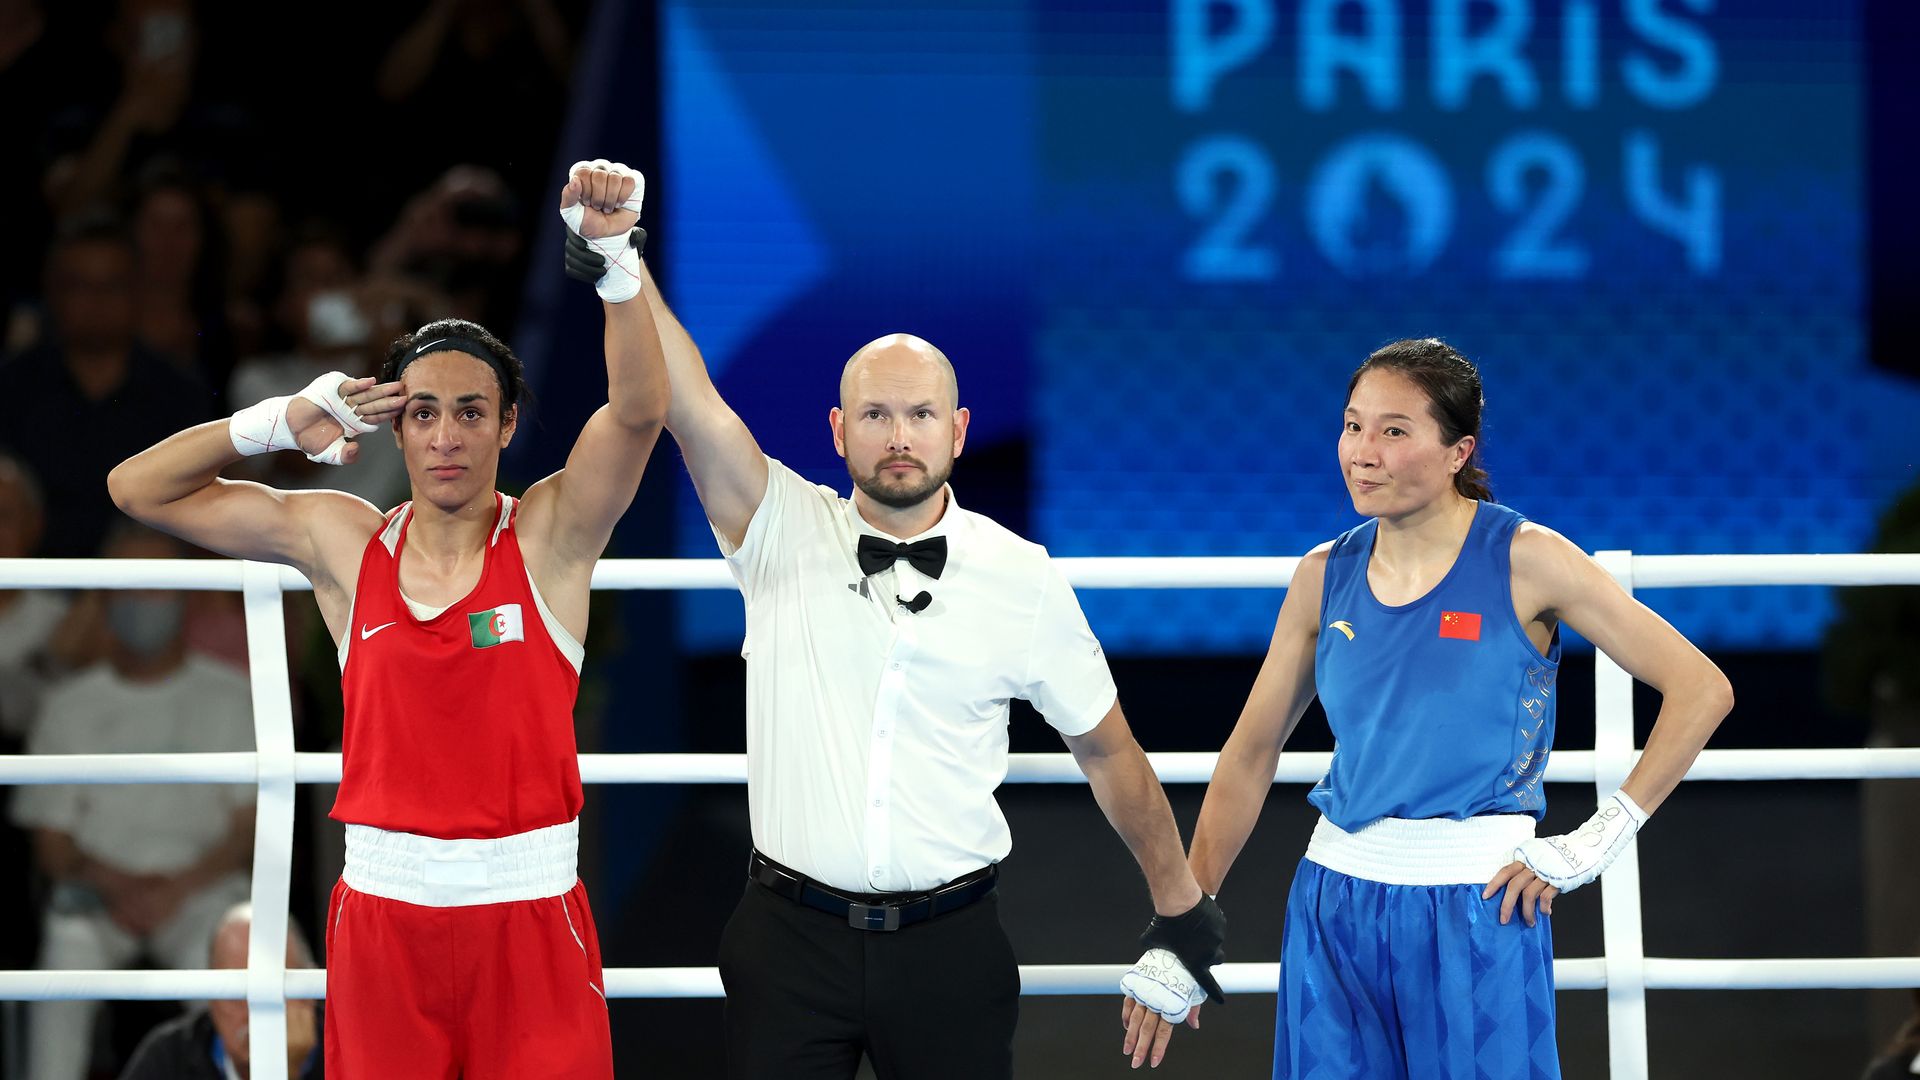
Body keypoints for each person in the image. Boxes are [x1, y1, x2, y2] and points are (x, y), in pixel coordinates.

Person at [564, 236, 1226, 1078]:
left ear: (958, 429)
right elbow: (691, 404)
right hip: (787, 941)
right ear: (839, 431)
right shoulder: (778, 527)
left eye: (919, 415)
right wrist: (623, 258)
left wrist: (1180, 912)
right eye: (876, 415)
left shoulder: (1020, 575)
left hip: (951, 947)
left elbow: (1108, 751)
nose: (899, 436)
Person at [108, 159, 668, 1078]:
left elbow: (641, 411)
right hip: (381, 912)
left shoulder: (552, 539)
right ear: (395, 430)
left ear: (508, 425)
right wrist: (276, 423)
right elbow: (135, 489)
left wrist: (614, 263)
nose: (445, 436)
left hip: (529, 909)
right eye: (423, 413)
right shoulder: (341, 539)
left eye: (470, 412)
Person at [1151, 339, 1736, 1076]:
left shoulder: (1529, 558)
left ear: (1458, 451)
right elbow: (1250, 753)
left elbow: (1701, 687)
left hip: (1479, 907)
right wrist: (1188, 923)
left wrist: (1598, 839)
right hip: (1333, 906)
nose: (1363, 453)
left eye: (1394, 431)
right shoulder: (1322, 576)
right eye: (1353, 425)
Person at [11, 523, 256, 1080]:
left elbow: (248, 829)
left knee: (239, 956)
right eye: (127, 584)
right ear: (103, 597)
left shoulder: (233, 696)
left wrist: (174, 889)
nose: (142, 599)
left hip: (201, 893)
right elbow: (51, 842)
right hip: (97, 896)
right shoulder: (66, 706)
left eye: (156, 583)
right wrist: (122, 889)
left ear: (184, 594)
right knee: (63, 952)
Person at [118, 903, 323, 1080]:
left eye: (275, 990)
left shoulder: (347, 1048)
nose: (253, 1011)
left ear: (309, 993)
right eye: (235, 994)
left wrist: (288, 1071)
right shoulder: (169, 1056)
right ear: (211, 999)